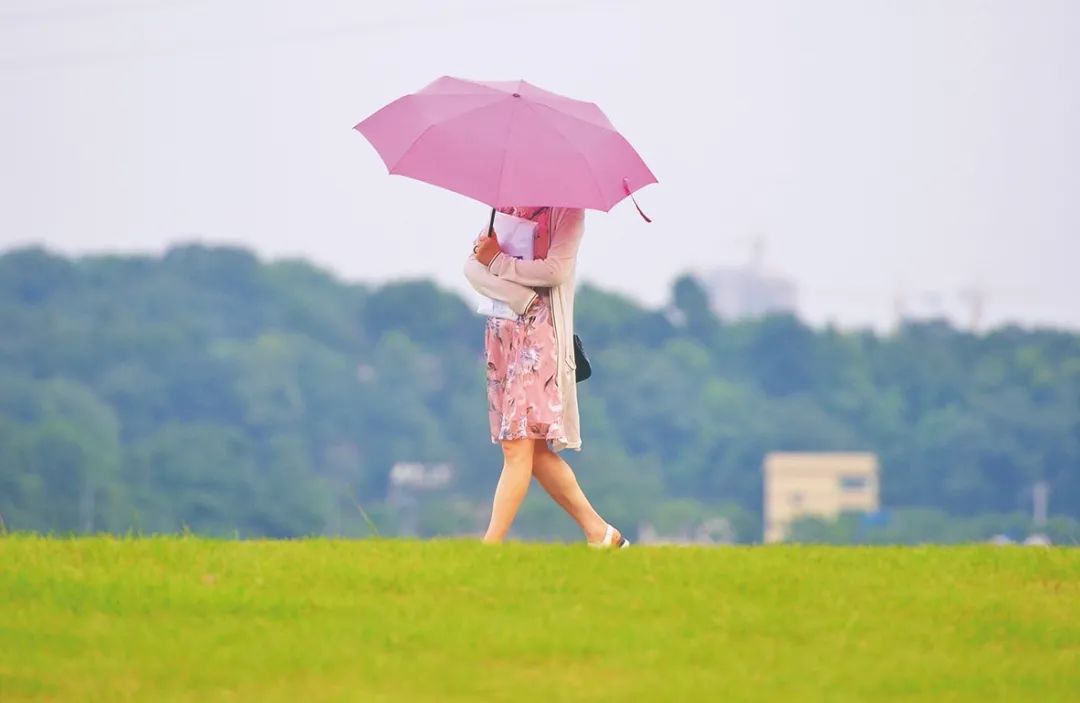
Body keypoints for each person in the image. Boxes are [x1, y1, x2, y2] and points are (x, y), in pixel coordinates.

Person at [464, 206, 629, 548]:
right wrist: (518, 293)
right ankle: (600, 533)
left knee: (516, 444)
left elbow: (555, 271)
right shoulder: (503, 205)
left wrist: (499, 265)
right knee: (533, 451)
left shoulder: (566, 212)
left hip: (541, 337)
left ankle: (489, 547)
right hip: (501, 335)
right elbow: (471, 267)